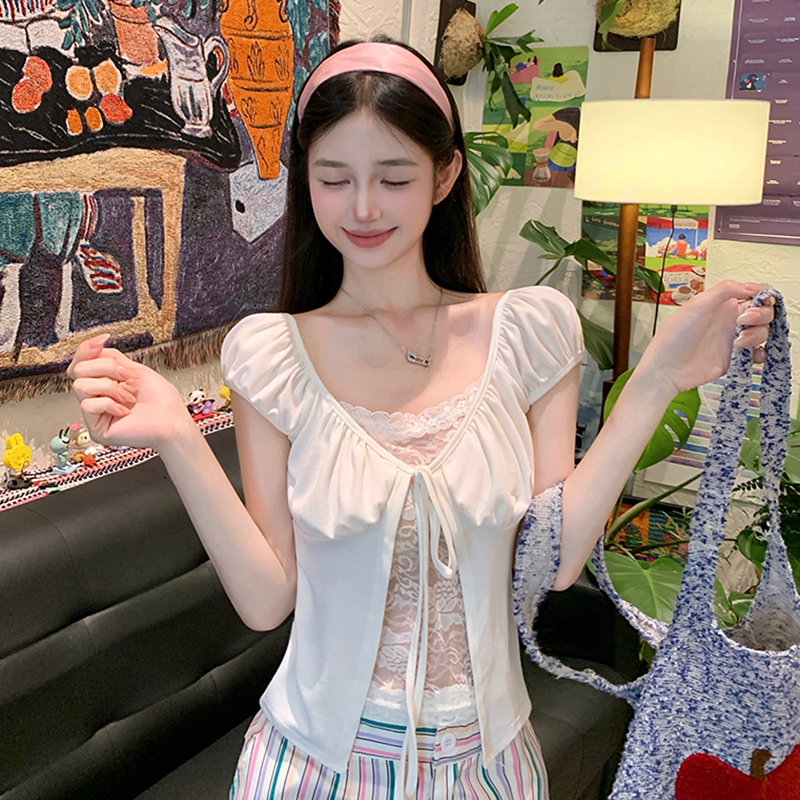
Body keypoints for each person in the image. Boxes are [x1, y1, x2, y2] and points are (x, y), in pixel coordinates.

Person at [67, 38, 774, 800]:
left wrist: (658, 378)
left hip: (487, 768)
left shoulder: (529, 333)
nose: (363, 208)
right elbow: (268, 599)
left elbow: (554, 562)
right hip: (312, 771)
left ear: (445, 175)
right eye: (334, 178)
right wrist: (177, 435)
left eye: (394, 178)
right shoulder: (271, 355)